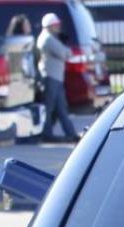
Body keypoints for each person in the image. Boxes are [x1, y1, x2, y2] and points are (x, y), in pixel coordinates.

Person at [35, 13, 77, 144]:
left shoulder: (51, 38)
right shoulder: (48, 39)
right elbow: (66, 53)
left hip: (56, 77)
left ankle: (70, 133)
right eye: (56, 25)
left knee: (61, 108)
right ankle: (46, 134)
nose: (59, 27)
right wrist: (65, 47)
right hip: (50, 77)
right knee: (49, 107)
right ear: (50, 26)